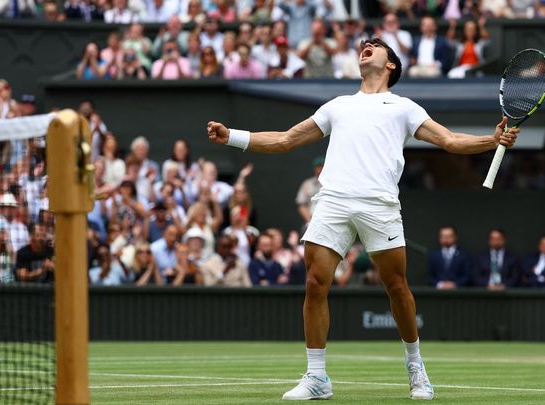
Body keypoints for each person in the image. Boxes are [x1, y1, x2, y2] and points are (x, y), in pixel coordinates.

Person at [205, 36, 518, 400]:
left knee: (397, 288)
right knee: (314, 283)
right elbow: (285, 140)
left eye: (376, 45)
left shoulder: (403, 107)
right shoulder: (338, 106)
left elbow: (448, 140)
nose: (366, 46)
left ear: (390, 65)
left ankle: (416, 367)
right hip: (333, 200)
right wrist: (232, 137)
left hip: (379, 204)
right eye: (364, 44)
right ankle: (317, 377)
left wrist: (490, 140)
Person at [296, 156, 323, 225]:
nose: (320, 169)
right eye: (318, 166)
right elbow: (302, 205)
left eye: (323, 166)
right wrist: (310, 222)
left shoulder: (334, 184)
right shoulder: (307, 184)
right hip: (311, 218)